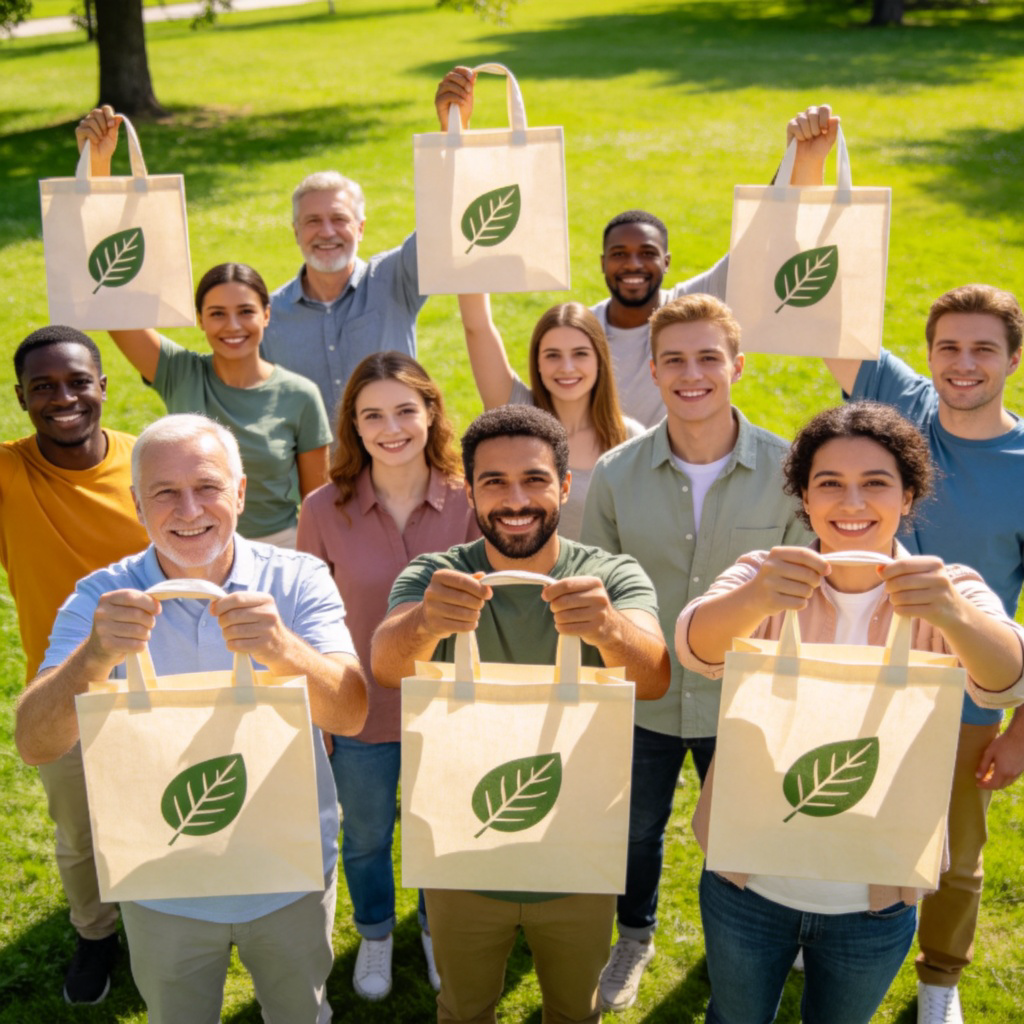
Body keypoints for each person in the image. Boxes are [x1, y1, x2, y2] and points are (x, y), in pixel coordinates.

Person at [674, 401, 1024, 1024]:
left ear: (909, 497)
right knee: (734, 1016)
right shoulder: (768, 574)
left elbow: (1006, 679)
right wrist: (756, 597)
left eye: (876, 484)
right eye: (829, 484)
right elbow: (696, 647)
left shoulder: (947, 588)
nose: (852, 503)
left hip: (877, 896)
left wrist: (955, 616)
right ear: (804, 499)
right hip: (748, 882)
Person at [14, 413, 368, 1024]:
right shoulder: (101, 596)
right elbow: (35, 742)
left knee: (299, 1010)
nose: (188, 510)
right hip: (161, 879)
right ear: (136, 504)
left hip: (288, 872)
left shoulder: (298, 579)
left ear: (240, 492)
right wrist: (93, 657)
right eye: (164, 493)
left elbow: (351, 712)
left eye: (207, 487)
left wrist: (283, 649)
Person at [371, 404, 670, 1024]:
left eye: (534, 480)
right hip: (461, 860)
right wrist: (428, 621)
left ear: (564, 484)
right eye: (494, 483)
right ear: (470, 493)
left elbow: (655, 678)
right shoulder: (436, 576)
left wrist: (609, 627)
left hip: (578, 859)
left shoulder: (609, 576)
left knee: (574, 1011)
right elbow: (386, 667)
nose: (515, 500)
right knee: (464, 1009)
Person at [580, 293, 812, 1010]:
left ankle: (754, 941)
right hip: (645, 695)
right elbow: (601, 593)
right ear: (651, 371)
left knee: (748, 831)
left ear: (737, 366)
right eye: (674, 360)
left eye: (709, 357)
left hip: (745, 699)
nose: (692, 374)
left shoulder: (791, 472)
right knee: (635, 829)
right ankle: (634, 934)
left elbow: (805, 594)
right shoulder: (617, 474)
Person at [823, 283, 1024, 1024]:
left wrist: (1023, 728)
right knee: (838, 814)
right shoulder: (898, 400)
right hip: (846, 676)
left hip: (966, 698)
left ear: (1013, 359)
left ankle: (939, 978)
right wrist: (811, 162)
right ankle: (826, 932)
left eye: (982, 350)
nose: (962, 364)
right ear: (928, 353)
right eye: (948, 347)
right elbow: (819, 303)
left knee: (952, 854)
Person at [435, 69, 839, 428]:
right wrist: (460, 145)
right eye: (619, 254)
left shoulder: (690, 310)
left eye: (646, 253)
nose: (633, 264)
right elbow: (478, 324)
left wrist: (798, 157)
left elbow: (758, 245)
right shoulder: (582, 337)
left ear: (667, 262)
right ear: (601, 264)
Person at [296, 351, 480, 1000]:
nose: (391, 427)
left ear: (431, 412)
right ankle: (375, 932)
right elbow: (305, 618)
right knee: (368, 833)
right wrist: (315, 713)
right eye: (372, 415)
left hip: (452, 709)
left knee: (442, 831)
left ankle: (435, 927)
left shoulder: (471, 497)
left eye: (406, 409)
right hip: (361, 711)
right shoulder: (323, 509)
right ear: (353, 424)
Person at [75, 110, 333, 547]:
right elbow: (112, 304)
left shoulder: (299, 395)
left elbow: (318, 505)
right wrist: (97, 165)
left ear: (266, 314)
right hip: (189, 540)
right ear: (199, 320)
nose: (232, 326)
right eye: (216, 313)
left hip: (278, 548)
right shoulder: (179, 371)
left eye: (245, 312)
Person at [1, 326, 150, 1004]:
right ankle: (95, 934)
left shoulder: (147, 467)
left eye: (76, 382)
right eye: (43, 388)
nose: (63, 398)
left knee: (160, 813)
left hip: (160, 685)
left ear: (103, 387)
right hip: (65, 691)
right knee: (80, 832)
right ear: (22, 398)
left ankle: (163, 924)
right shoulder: (6, 473)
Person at [455, 294, 644, 539]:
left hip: (601, 577)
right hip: (520, 575)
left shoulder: (631, 438)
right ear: (538, 363)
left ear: (600, 360)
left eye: (580, 354)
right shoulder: (517, 411)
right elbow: (477, 327)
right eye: (552, 355)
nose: (566, 367)